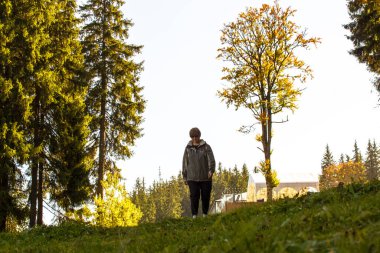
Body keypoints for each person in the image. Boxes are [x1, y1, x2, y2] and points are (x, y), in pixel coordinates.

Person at [182, 127, 215, 218]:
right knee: (194, 197)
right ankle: (194, 216)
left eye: (196, 136)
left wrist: (211, 170)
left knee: (205, 196)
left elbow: (211, 160)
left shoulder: (206, 147)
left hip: (205, 177)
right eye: (192, 137)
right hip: (192, 177)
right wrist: (185, 176)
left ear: (199, 136)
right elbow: (185, 162)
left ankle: (205, 214)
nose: (194, 138)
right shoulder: (188, 148)